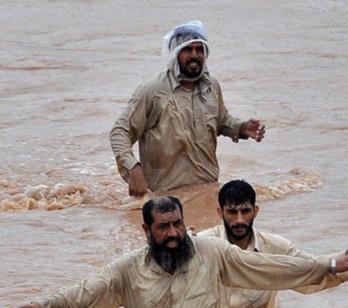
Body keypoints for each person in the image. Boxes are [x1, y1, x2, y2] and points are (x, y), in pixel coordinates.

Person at [4, 196, 348, 308]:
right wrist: (42, 306)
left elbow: (270, 268)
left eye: (178, 224)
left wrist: (330, 263)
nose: (174, 234)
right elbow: (84, 295)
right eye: (163, 227)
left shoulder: (211, 253)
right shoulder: (128, 270)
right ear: (147, 231)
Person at [110, 20, 266, 197]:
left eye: (200, 49)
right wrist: (134, 170)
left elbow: (221, 121)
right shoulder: (153, 91)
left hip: (208, 193)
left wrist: (242, 128)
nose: (194, 55)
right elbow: (119, 132)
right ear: (175, 53)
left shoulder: (212, 87)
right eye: (187, 49)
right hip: (164, 202)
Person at [199, 180, 348, 308]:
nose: (240, 220)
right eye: (232, 212)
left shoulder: (274, 247)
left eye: (246, 211)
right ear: (220, 213)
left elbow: (310, 267)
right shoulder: (202, 245)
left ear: (256, 211)